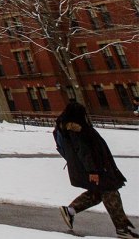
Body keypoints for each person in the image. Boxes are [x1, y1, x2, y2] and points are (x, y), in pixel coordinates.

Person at [54, 101, 136, 237]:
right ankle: (122, 229)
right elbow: (84, 151)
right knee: (110, 192)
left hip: (96, 167)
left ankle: (70, 210)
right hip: (96, 168)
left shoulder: (69, 129)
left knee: (97, 193)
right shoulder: (76, 129)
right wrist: (92, 171)